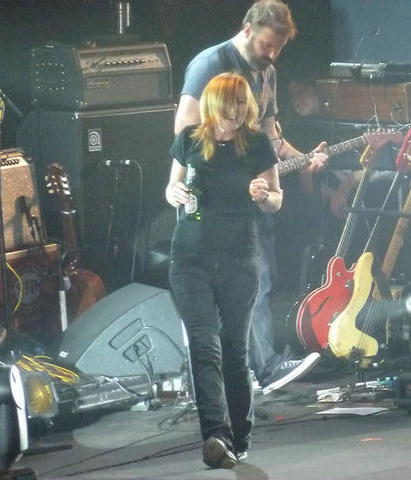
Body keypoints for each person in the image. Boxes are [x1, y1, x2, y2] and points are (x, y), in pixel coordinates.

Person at [174, 0, 326, 395]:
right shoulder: (210, 65)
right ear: (247, 30)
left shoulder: (267, 73)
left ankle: (260, 368)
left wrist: (301, 158)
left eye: (279, 48)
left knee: (258, 279)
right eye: (266, 45)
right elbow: (186, 129)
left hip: (251, 201)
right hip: (210, 203)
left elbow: (269, 136)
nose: (272, 54)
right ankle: (247, 370)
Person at [166, 72, 281, 468]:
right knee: (204, 346)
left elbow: (276, 200)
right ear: (213, 105)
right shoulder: (190, 140)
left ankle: (239, 437)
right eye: (229, 106)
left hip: (239, 260)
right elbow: (171, 187)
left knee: (234, 349)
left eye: (242, 105)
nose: (235, 113)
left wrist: (263, 196)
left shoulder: (257, 144)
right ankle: (216, 435)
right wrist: (174, 193)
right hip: (190, 259)